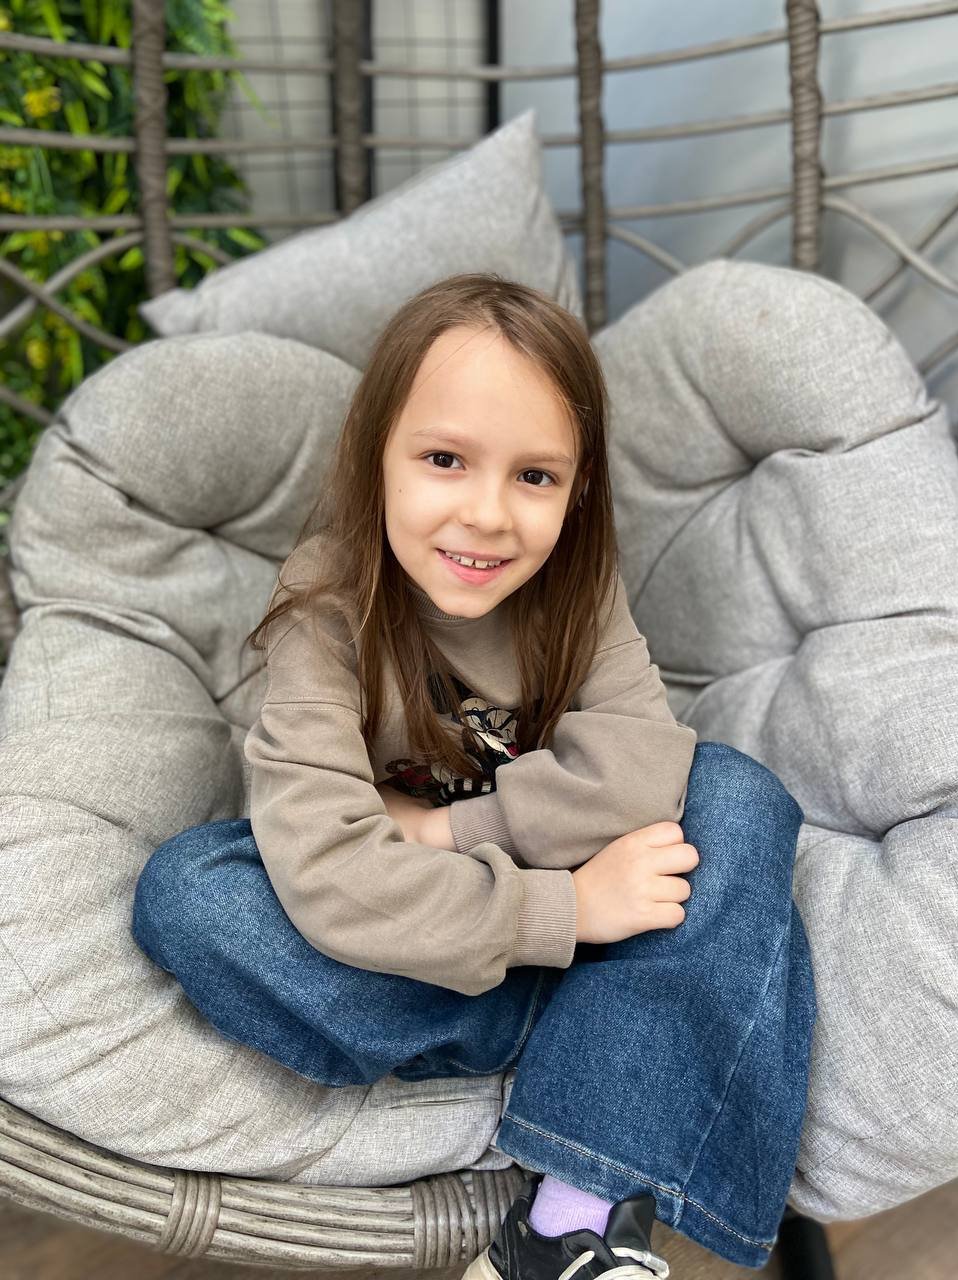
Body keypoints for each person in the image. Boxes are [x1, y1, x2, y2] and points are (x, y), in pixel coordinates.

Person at [132, 272, 817, 1278]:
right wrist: (565, 910)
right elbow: (330, 872)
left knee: (737, 795)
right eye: (445, 460)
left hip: (558, 917)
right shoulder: (328, 602)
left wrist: (447, 831)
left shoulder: (576, 590)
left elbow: (636, 780)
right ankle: (608, 1048)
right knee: (190, 893)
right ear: (376, 455)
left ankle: (562, 1231)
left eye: (534, 476)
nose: (488, 514)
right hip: (446, 945)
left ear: (579, 488)